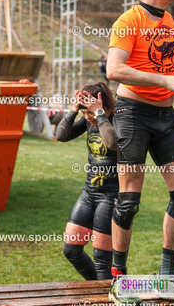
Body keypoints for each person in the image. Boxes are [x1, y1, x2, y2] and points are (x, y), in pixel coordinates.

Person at [106, 0, 174, 305]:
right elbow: (114, 69)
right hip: (133, 115)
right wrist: (166, 81)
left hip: (165, 117)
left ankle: (167, 277)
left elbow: (171, 65)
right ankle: (119, 280)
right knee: (128, 201)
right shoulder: (128, 21)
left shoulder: (169, 20)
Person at [56, 83, 118, 280]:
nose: (88, 118)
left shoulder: (118, 119)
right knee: (71, 250)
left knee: (102, 261)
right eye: (85, 114)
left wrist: (99, 115)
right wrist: (75, 110)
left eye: (90, 113)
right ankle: (98, 290)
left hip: (112, 195)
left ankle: (104, 294)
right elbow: (60, 136)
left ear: (104, 107)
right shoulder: (88, 121)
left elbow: (112, 143)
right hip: (89, 192)